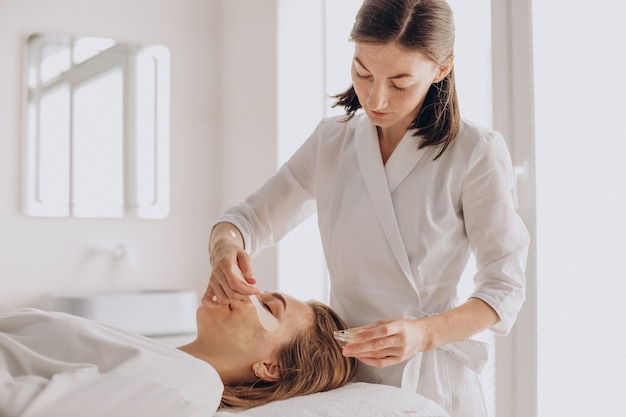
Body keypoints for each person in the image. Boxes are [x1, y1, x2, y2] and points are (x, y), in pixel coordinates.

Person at [207, 0, 530, 416]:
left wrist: (422, 335)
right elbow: (247, 219)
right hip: (342, 376)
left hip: (427, 376)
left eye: (400, 83)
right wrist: (223, 249)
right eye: (362, 72)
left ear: (442, 68)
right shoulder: (332, 141)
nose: (376, 98)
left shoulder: (474, 153)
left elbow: (504, 289)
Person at [0, 291, 357, 417]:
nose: (246, 291)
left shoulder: (194, 385)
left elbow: (26, 407)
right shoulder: (160, 359)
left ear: (271, 367)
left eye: (267, 306)